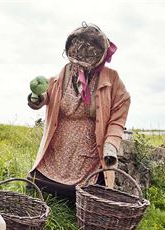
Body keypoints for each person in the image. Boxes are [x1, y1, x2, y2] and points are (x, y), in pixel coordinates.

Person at [27, 23, 130, 200]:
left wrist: (111, 145)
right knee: (38, 182)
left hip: (89, 148)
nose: (80, 62)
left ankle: (80, 200)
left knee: (89, 191)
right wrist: (37, 97)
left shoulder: (111, 78)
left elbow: (119, 112)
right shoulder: (65, 73)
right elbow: (49, 95)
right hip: (60, 143)